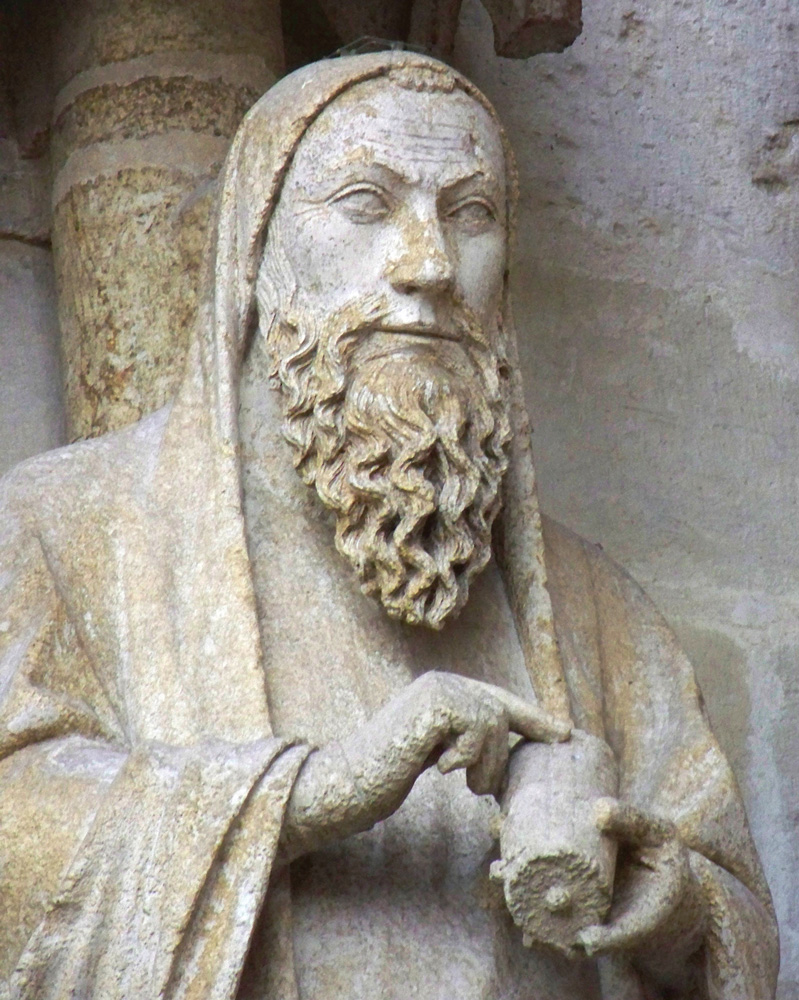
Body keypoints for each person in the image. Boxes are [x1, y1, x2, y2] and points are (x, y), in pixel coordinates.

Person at [0, 51, 778, 999]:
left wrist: (655, 894)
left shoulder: (592, 608)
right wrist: (308, 793)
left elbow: (737, 930)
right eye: (367, 203)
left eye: (471, 212)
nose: (431, 265)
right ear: (254, 253)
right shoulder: (66, 526)